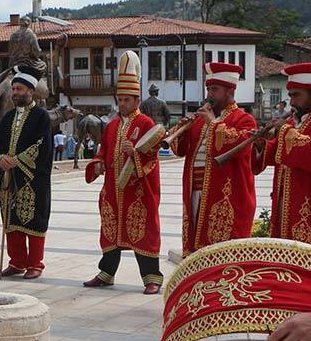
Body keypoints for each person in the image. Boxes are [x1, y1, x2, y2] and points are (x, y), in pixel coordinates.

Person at [83, 51, 164, 294]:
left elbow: (153, 156)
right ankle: (106, 273)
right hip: (113, 190)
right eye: (119, 100)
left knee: (143, 231)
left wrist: (135, 153)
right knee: (110, 232)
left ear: (137, 100)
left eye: (127, 100)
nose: (122, 104)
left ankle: (152, 278)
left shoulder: (147, 124)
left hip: (138, 190)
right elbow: (103, 150)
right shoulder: (112, 126)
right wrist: (98, 163)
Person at [168, 62, 257, 261]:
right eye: (208, 88)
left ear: (230, 91)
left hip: (226, 196)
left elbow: (241, 146)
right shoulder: (200, 119)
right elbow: (180, 150)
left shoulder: (244, 119)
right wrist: (181, 130)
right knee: (197, 246)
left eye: (215, 89)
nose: (210, 94)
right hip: (195, 192)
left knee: (222, 251)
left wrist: (214, 124)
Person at [252, 62, 311, 244]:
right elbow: (276, 153)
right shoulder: (293, 125)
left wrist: (283, 132)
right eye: (290, 96)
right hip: (285, 206)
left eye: (297, 95)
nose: (292, 102)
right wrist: (260, 143)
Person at [0, 66, 53, 279]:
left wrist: (16, 160)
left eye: (19, 89)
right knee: (11, 220)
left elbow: (42, 145)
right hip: (10, 178)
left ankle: (35, 263)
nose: (15, 93)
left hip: (33, 178)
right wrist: (1, 159)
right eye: (14, 89)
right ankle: (17, 262)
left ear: (30, 91)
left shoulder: (41, 117)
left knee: (34, 219)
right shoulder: (7, 117)